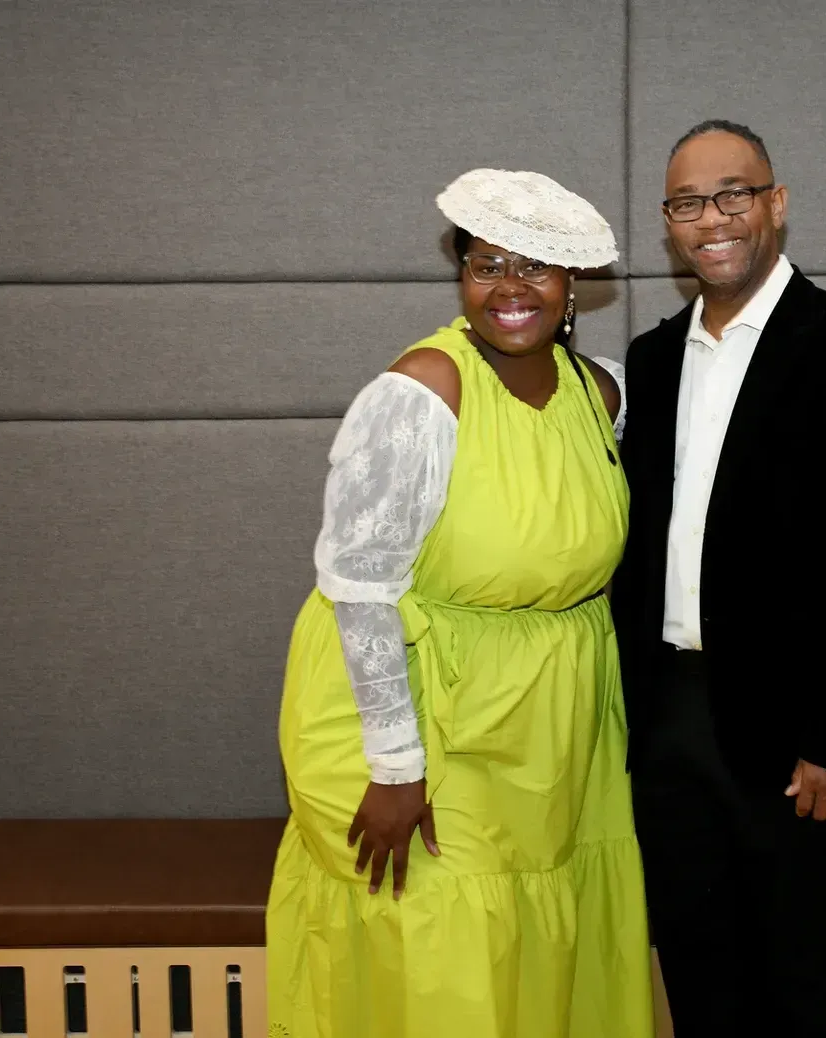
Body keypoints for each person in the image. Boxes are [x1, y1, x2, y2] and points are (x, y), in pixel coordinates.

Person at [265, 168, 654, 1038]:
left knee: (532, 953)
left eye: (537, 266)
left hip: (551, 720)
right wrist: (398, 770)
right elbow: (361, 590)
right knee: (441, 960)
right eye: (486, 264)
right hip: (422, 709)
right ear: (460, 277)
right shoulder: (422, 391)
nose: (510, 287)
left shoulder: (601, 395)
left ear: (572, 287)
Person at [609, 120, 826, 1035]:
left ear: (775, 204)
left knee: (798, 989)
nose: (711, 218)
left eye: (732, 194)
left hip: (794, 739)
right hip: (664, 721)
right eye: (686, 203)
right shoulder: (653, 359)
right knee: (700, 979)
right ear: (668, 224)